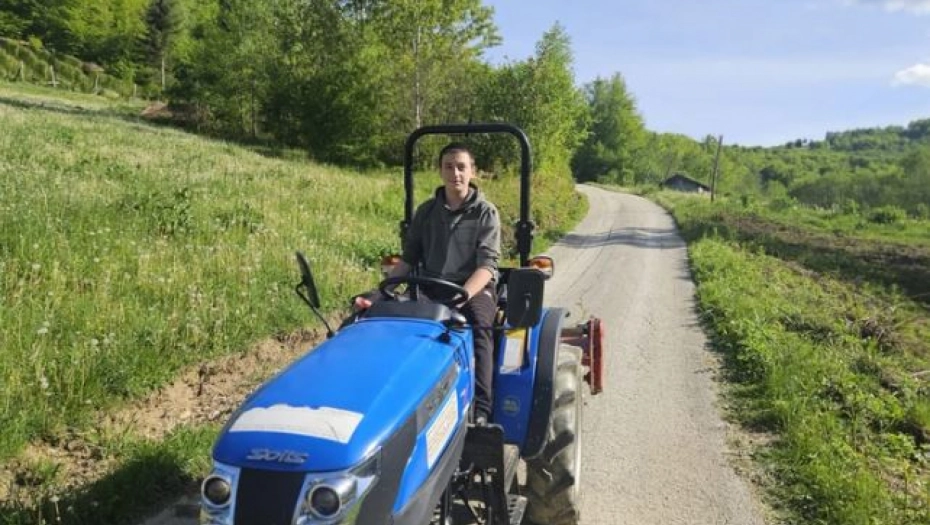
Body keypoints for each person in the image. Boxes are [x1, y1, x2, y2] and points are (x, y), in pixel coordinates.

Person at [380, 142, 501, 425]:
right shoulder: (426, 212)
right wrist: (382, 291)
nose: (455, 173)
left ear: (472, 171)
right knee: (399, 325)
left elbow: (487, 266)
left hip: (473, 288)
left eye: (461, 167)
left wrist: (464, 294)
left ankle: (482, 409)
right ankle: (401, 403)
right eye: (449, 167)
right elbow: (409, 259)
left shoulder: (485, 212)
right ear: (440, 171)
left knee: (481, 327)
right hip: (432, 285)